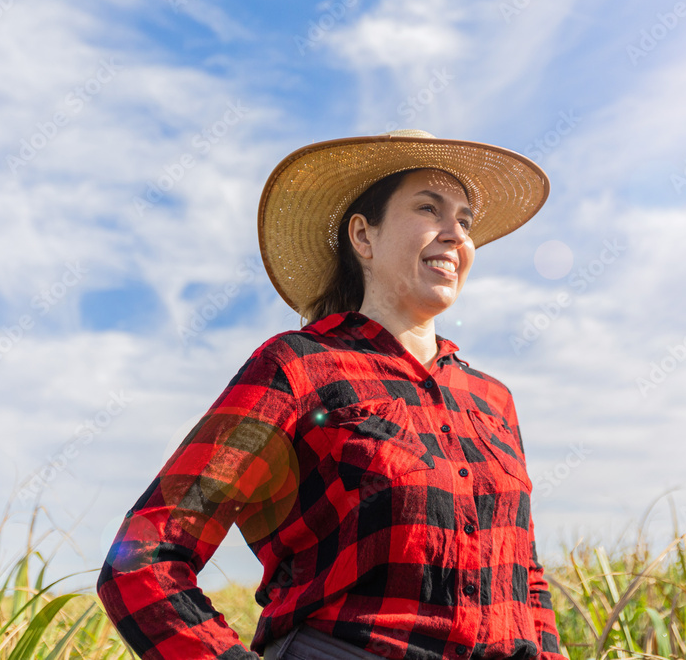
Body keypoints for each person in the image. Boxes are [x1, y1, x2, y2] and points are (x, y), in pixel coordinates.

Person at [97, 129, 567, 659]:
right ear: (364, 237)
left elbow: (524, 577)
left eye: (464, 220)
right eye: (429, 209)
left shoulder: (492, 400)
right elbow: (144, 556)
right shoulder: (297, 367)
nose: (454, 234)